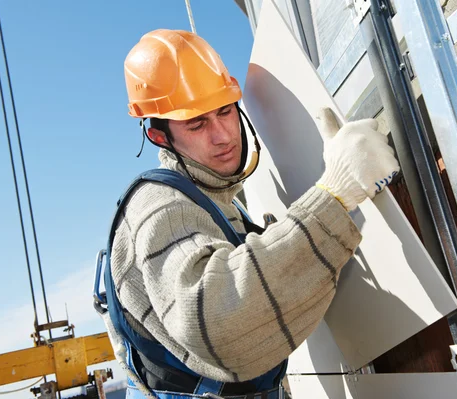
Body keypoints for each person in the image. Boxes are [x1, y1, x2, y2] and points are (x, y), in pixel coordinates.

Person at [104, 29, 400, 399]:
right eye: (197, 124)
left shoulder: (216, 201)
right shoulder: (159, 206)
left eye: (225, 111)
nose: (223, 135)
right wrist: (335, 197)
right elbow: (220, 322)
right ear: (160, 137)